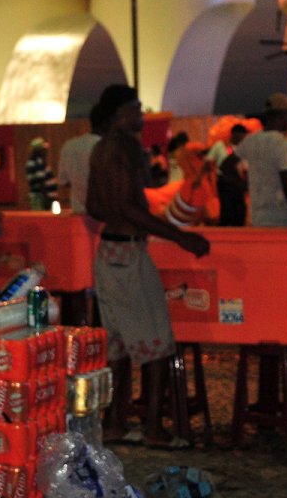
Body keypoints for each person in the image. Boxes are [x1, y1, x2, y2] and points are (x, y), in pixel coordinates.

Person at [86, 83, 210, 448]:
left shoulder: (100, 149)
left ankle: (114, 423)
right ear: (119, 115)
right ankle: (154, 428)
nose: (141, 115)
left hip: (108, 251)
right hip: (129, 253)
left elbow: (95, 205)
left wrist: (121, 214)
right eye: (135, 109)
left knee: (118, 346)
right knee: (158, 345)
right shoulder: (124, 148)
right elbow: (128, 207)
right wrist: (180, 236)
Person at [235, 93, 287, 227]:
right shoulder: (283, 145)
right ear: (281, 116)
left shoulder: (251, 140)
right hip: (281, 218)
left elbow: (226, 165)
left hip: (257, 218)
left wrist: (243, 185)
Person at [57, 103, 106, 216]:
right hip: (108, 215)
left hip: (79, 213)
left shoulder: (69, 146)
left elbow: (64, 181)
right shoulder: (109, 147)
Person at [25, 137, 56, 210]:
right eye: (43, 149)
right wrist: (46, 197)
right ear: (38, 151)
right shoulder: (34, 163)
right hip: (40, 198)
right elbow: (40, 181)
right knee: (41, 216)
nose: (45, 152)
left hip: (45, 197)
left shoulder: (40, 162)